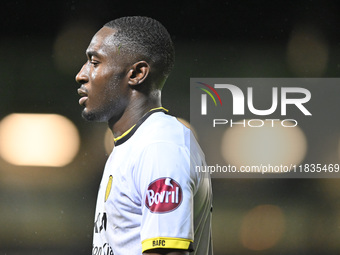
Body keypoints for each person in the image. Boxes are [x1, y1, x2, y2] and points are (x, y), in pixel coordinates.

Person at [75, 16, 213, 255]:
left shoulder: (160, 147)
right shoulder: (133, 144)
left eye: (94, 62)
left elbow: (168, 252)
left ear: (137, 73)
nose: (81, 74)